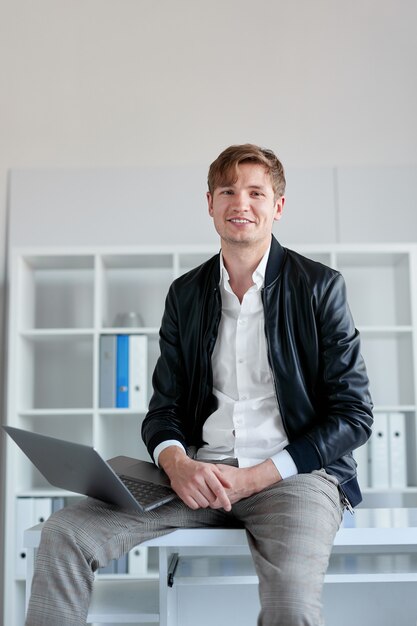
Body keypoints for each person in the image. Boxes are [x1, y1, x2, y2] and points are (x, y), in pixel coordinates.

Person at [26, 144, 373, 626]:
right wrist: (177, 462)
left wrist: (256, 476)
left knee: (291, 606)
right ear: (209, 202)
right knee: (65, 532)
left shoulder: (320, 287)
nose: (241, 203)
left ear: (278, 206)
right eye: (228, 190)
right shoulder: (185, 294)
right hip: (196, 478)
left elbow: (354, 415)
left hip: (291, 479)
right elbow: (162, 410)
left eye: (256, 191)